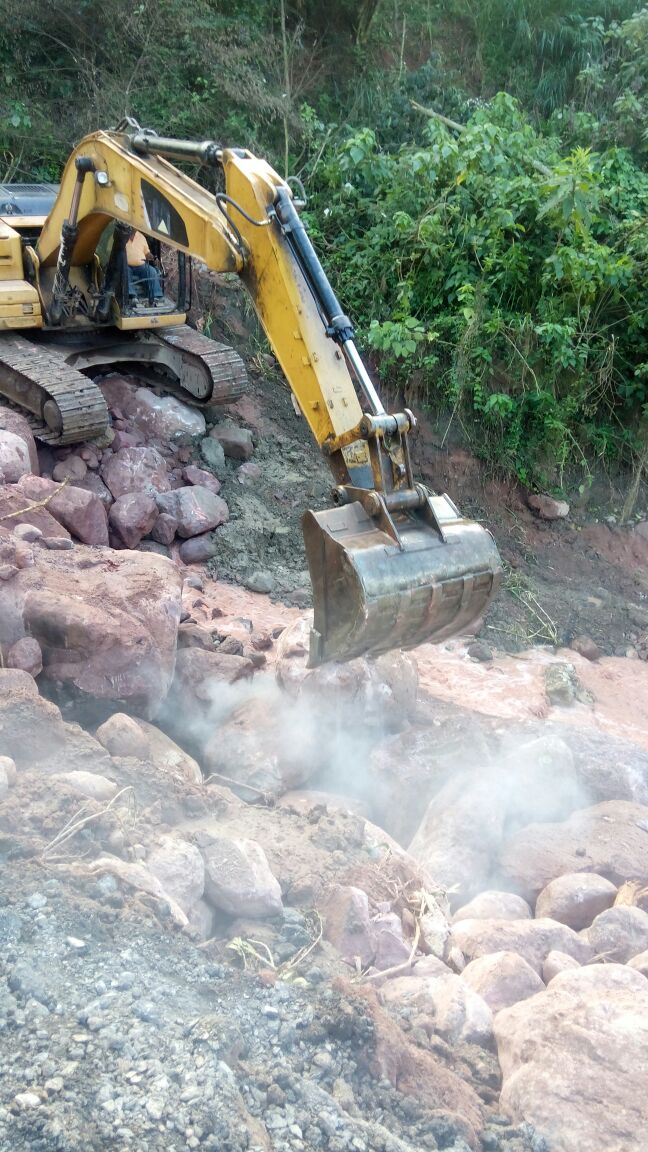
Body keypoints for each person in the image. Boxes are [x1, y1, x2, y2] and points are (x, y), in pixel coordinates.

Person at [125, 230, 163, 301]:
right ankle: (132, 297)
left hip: (141, 266)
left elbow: (147, 253)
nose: (133, 227)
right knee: (124, 271)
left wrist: (154, 258)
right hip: (126, 265)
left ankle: (156, 296)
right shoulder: (120, 235)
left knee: (151, 271)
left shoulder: (141, 237)